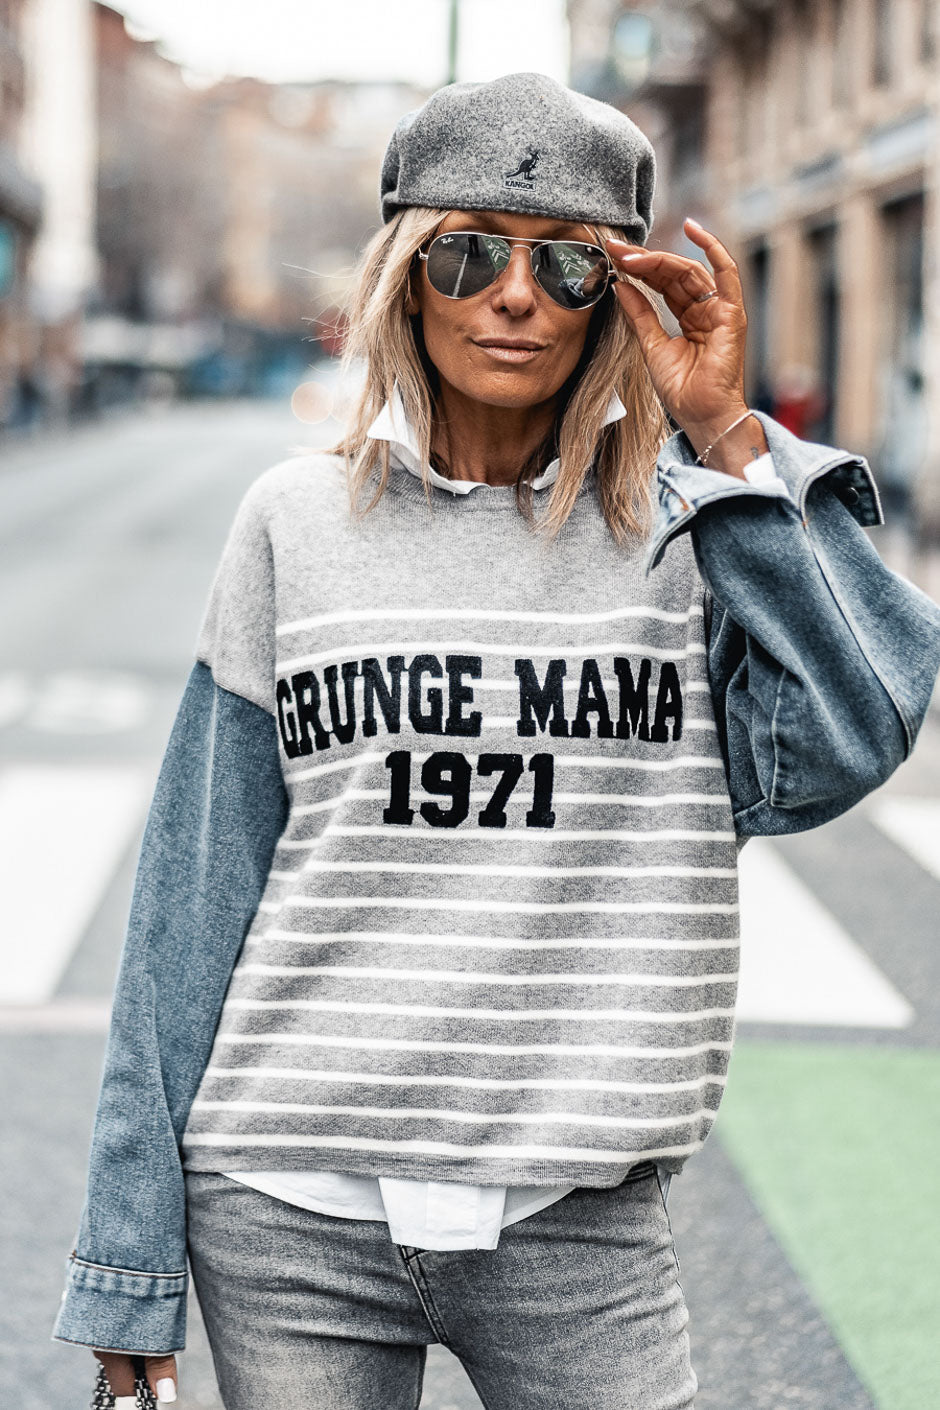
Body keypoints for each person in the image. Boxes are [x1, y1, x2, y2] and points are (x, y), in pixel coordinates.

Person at [52, 72, 940, 1410]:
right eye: (468, 254)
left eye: (566, 265)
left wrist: (724, 433)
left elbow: (857, 728)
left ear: (615, 296)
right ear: (408, 279)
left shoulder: (696, 533)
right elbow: (190, 898)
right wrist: (128, 1252)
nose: (513, 296)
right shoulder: (292, 521)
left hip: (578, 1221)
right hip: (286, 1206)